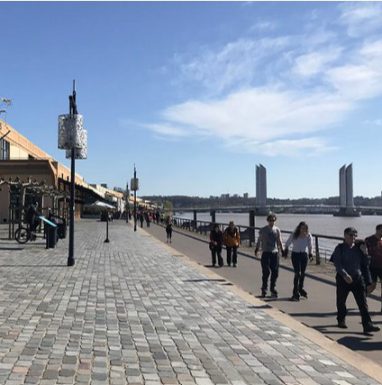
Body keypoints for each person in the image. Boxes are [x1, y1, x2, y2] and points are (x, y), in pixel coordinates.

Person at [331, 227, 380, 334]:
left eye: (355, 235)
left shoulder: (359, 248)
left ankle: (367, 325)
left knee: (363, 303)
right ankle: (341, 320)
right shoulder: (340, 248)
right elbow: (338, 264)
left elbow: (366, 264)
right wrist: (345, 275)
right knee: (341, 301)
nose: (353, 238)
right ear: (345, 236)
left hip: (357, 279)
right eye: (350, 235)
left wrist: (366, 253)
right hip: (343, 279)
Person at [255, 214, 283, 298]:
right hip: (266, 253)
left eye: (273, 220)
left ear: (275, 221)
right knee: (266, 271)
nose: (272, 222)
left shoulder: (277, 230)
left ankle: (272, 288)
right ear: (268, 221)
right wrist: (257, 249)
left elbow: (279, 240)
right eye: (270, 220)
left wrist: (283, 249)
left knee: (275, 272)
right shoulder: (263, 230)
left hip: (274, 253)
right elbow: (259, 240)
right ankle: (264, 289)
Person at [283, 222, 313, 301]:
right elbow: (287, 243)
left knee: (303, 273)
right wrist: (286, 251)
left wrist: (310, 254)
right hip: (295, 255)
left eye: (305, 228)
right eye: (302, 228)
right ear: (299, 228)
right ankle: (295, 293)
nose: (303, 230)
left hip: (304, 255)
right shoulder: (294, 234)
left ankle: (300, 289)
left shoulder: (308, 235)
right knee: (297, 273)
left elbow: (310, 246)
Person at [365, 224, 382, 306]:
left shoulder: (381, 240)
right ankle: (362, 298)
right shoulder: (369, 240)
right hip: (372, 266)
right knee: (372, 286)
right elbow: (363, 251)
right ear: (377, 230)